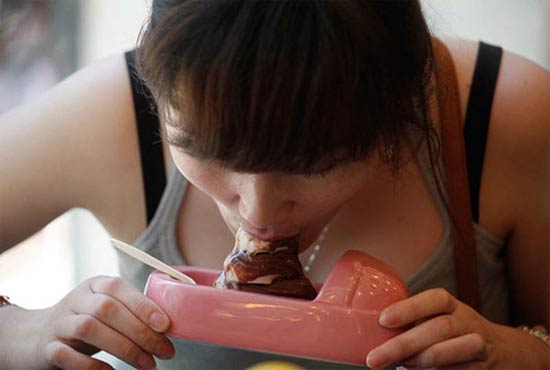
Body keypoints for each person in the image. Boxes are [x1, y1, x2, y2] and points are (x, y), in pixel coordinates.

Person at [0, 1, 548, 369]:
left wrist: (526, 353)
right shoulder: (113, 111)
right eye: (202, 146)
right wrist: (16, 330)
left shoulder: (501, 118)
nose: (258, 212)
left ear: (405, 98)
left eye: (319, 162)